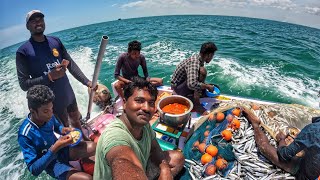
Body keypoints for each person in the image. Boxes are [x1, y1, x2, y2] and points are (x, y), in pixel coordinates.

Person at [16, 10, 93, 139]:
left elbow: (71, 64)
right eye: (33, 20)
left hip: (67, 92)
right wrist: (49, 76)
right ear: (27, 26)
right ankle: (74, 149)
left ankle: (83, 139)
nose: (38, 22)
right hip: (51, 101)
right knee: (65, 128)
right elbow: (24, 84)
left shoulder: (55, 41)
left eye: (40, 19)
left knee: (76, 119)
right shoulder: (23, 52)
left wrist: (87, 82)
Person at [94, 77, 184, 180]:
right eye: (139, 101)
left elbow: (154, 147)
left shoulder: (143, 125)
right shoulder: (114, 136)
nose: (146, 108)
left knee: (177, 158)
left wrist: (165, 170)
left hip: (143, 167)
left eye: (151, 103)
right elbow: (122, 160)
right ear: (124, 103)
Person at [18, 85, 96, 180]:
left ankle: (80, 161)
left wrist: (64, 130)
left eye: (51, 108)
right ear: (33, 111)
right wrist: (55, 148)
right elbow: (34, 170)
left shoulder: (49, 115)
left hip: (62, 149)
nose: (50, 114)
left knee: (93, 147)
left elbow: (57, 127)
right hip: (52, 163)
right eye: (46, 111)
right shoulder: (25, 135)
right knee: (87, 179)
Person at [242, 108, 320, 179]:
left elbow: (283, 155)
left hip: (308, 173)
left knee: (264, 146)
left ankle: (255, 124)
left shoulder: (313, 130)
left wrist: (281, 140)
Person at [171, 42, 218, 114]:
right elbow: (192, 84)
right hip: (177, 89)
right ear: (208, 55)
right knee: (202, 71)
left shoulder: (199, 59)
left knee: (201, 72)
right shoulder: (194, 62)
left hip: (181, 85)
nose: (212, 57)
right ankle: (196, 105)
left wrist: (205, 86)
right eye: (212, 55)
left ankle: (194, 95)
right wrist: (207, 86)